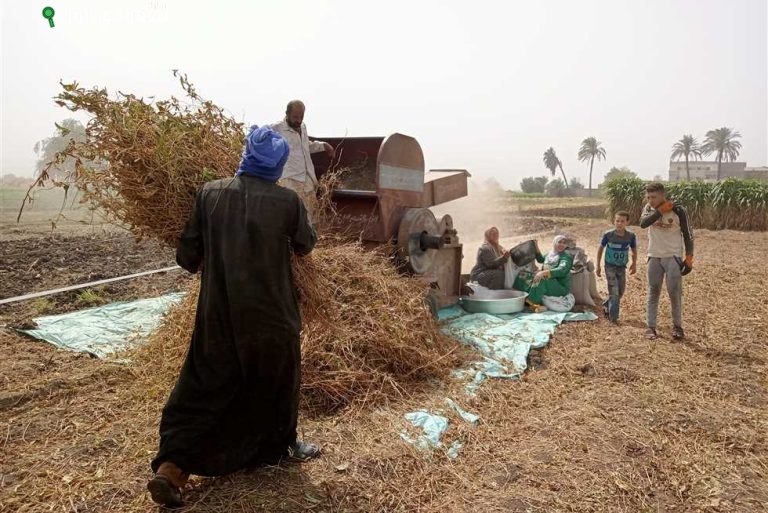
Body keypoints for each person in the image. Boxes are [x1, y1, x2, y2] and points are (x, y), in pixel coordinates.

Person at [146, 126, 318, 508]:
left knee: (202, 389)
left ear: (246, 156)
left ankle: (172, 468)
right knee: (276, 386)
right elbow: (306, 246)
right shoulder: (287, 202)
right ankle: (281, 448)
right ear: (276, 164)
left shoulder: (209, 193)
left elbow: (186, 258)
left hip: (220, 317)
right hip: (273, 317)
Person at [639, 182, 694, 341]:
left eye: (654, 197)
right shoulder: (648, 209)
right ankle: (650, 327)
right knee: (653, 291)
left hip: (673, 256)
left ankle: (677, 327)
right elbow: (643, 224)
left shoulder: (678, 210)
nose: (650, 200)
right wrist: (660, 211)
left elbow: (688, 234)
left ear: (663, 195)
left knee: (674, 293)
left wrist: (689, 257)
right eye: (648, 197)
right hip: (654, 256)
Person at [271, 100, 334, 216]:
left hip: (307, 180)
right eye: (295, 117)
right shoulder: (276, 128)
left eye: (301, 117)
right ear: (287, 114)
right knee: (294, 217)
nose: (298, 120)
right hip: (290, 181)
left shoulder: (303, 127)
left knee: (312, 218)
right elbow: (256, 139)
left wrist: (323, 145)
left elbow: (305, 146)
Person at [596, 211, 637, 324]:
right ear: (614, 221)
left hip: (621, 267)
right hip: (610, 266)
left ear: (627, 222)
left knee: (621, 291)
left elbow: (634, 250)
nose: (619, 223)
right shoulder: (608, 235)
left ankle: (606, 304)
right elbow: (600, 249)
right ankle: (613, 317)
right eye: (617, 221)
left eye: (622, 221)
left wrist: (634, 263)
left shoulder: (631, 236)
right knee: (613, 290)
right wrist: (598, 266)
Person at [514, 235, 574, 311]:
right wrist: (536, 246)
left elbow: (562, 270)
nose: (561, 245)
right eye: (559, 242)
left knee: (541, 278)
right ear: (554, 242)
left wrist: (543, 273)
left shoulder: (566, 257)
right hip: (549, 281)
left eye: (564, 243)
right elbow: (541, 259)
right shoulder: (550, 254)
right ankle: (520, 298)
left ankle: (532, 304)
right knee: (523, 275)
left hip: (560, 286)